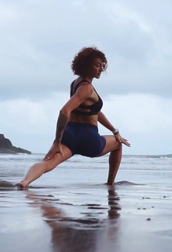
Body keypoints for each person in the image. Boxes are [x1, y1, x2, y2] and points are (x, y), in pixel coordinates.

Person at [17, 47, 130, 188]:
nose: (100, 69)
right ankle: (110, 184)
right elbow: (65, 111)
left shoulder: (75, 83)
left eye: (102, 66)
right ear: (86, 66)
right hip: (89, 138)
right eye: (96, 65)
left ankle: (25, 182)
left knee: (47, 163)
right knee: (118, 144)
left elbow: (94, 111)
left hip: (69, 135)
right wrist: (57, 140)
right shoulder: (87, 88)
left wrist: (114, 130)